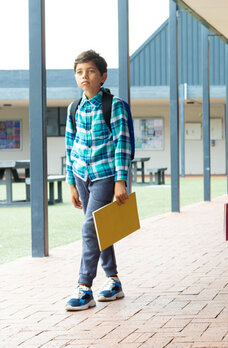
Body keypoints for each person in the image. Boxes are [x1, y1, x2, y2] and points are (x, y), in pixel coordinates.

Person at [64, 50, 131, 311]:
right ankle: (113, 281)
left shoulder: (113, 105)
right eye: (80, 72)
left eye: (90, 71)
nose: (84, 76)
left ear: (102, 76)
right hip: (82, 174)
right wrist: (71, 183)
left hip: (105, 174)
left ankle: (84, 288)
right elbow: (70, 147)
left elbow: (122, 143)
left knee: (89, 228)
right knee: (100, 228)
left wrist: (120, 180)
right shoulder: (74, 108)